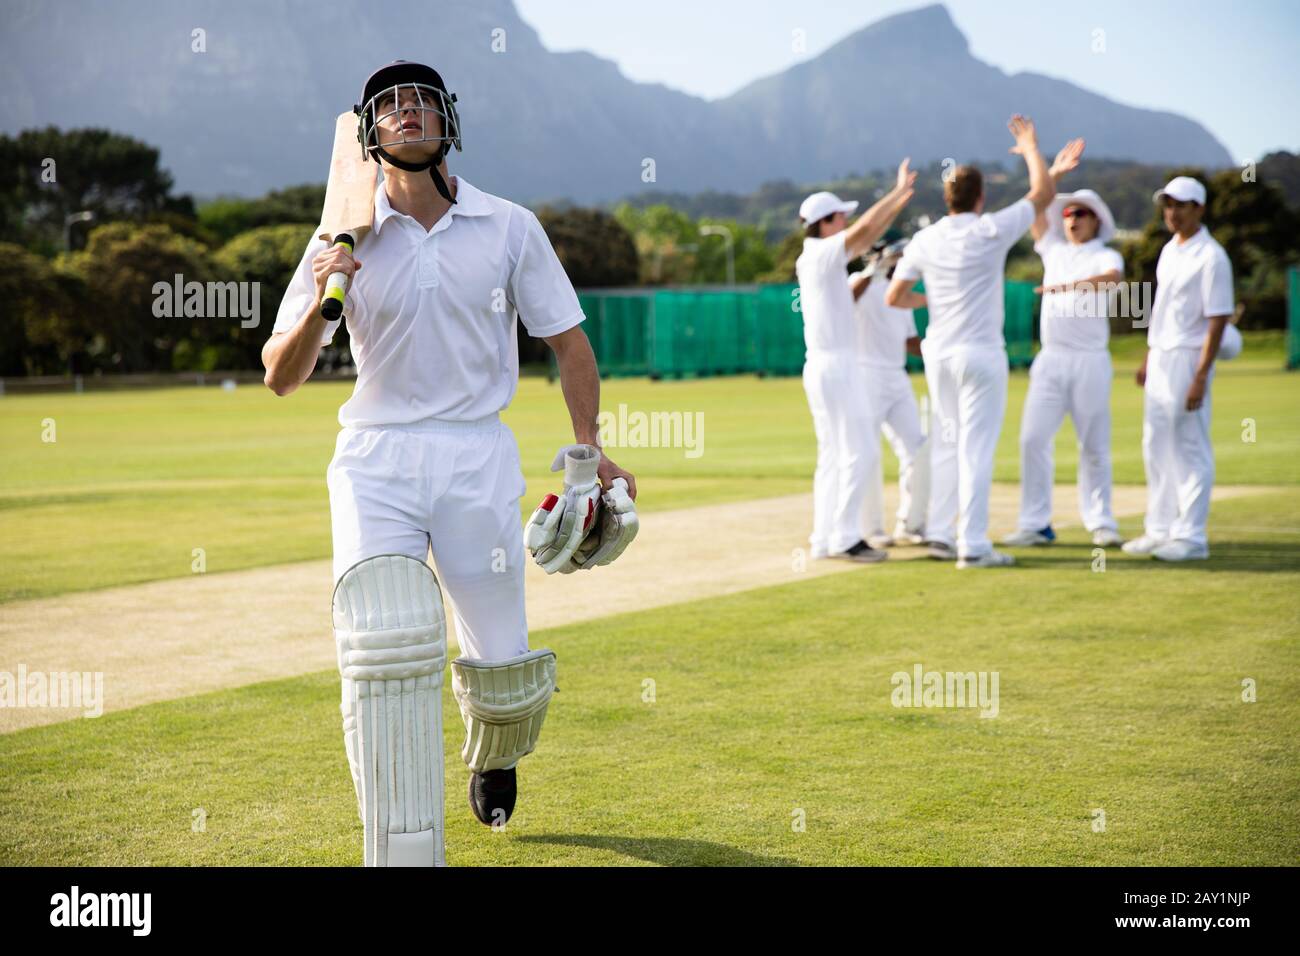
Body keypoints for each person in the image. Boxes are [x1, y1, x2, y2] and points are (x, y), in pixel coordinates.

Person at [262, 61, 637, 866]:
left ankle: (495, 753)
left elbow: (568, 343)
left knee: (502, 659)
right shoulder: (337, 239)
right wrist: (329, 283)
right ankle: (396, 829)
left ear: (446, 123)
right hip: (375, 457)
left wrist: (591, 451)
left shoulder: (508, 226)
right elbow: (280, 376)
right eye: (389, 106)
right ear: (369, 134)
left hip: (476, 453)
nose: (406, 114)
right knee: (383, 638)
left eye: (419, 102)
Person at [886, 115, 1055, 568]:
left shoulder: (924, 239)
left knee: (947, 444)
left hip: (939, 355)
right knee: (975, 450)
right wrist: (1032, 148)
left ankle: (941, 533)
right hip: (980, 354)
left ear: (947, 198)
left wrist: (936, 299)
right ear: (980, 198)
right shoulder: (990, 229)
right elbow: (1043, 196)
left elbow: (895, 296)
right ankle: (974, 545)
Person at [1003, 140, 1126, 549]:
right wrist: (1046, 169)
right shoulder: (1052, 248)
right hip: (1051, 361)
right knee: (1032, 440)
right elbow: (1034, 208)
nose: (1072, 219)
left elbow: (1113, 280)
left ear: (1096, 222)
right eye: (1069, 213)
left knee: (1093, 444)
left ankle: (1102, 521)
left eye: (1082, 215)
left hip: (1089, 361)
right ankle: (1036, 523)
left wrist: (1066, 286)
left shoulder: (1105, 254)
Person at [796, 162, 917, 563]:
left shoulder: (817, 259)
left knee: (832, 454)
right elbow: (866, 231)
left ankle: (824, 537)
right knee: (860, 451)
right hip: (838, 366)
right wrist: (898, 195)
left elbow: (848, 293)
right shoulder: (821, 253)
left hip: (823, 366)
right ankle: (846, 537)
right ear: (825, 222)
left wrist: (872, 268)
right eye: (840, 216)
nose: (846, 220)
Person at [1123, 176, 1233, 562]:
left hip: (1189, 358)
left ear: (1199, 209)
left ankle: (1191, 536)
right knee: (1155, 444)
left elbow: (1217, 320)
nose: (1172, 212)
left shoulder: (1212, 257)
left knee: (1190, 446)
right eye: (1168, 205)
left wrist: (1201, 376)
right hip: (1162, 357)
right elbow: (1161, 311)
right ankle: (1160, 528)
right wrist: (1149, 358)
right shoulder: (1170, 249)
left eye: (1180, 205)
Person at [848, 232, 929, 548]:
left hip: (897, 377)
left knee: (917, 447)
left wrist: (940, 345)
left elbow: (910, 342)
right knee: (867, 450)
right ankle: (870, 528)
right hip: (865, 376)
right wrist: (875, 269)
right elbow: (849, 297)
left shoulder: (901, 293)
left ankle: (910, 523)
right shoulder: (859, 281)